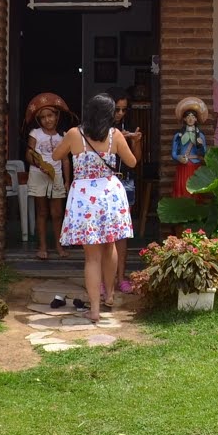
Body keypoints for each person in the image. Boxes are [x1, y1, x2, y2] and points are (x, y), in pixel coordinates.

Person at [55, 92, 137, 323]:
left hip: (84, 197)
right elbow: (131, 162)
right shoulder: (115, 135)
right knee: (110, 246)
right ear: (110, 115)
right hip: (109, 194)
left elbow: (55, 154)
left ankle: (94, 310)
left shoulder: (74, 134)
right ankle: (109, 294)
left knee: (91, 258)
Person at [25, 95, 69, 260]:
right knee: (42, 212)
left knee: (57, 213)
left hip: (56, 176)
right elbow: (29, 154)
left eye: (50, 116)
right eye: (42, 117)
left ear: (57, 116)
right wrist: (39, 164)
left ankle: (59, 245)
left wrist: (67, 180)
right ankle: (42, 246)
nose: (47, 120)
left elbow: (65, 160)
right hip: (38, 174)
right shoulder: (35, 133)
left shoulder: (63, 136)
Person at [107, 88, 142, 294]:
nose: (120, 114)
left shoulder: (128, 128)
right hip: (104, 184)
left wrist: (135, 141)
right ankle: (105, 279)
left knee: (121, 235)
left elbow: (135, 161)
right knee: (105, 235)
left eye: (123, 110)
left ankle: (121, 278)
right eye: (116, 109)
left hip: (125, 181)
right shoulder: (99, 130)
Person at [171, 96, 208, 199]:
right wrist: (178, 158)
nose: (190, 118)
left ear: (196, 119)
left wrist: (200, 145)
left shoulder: (200, 136)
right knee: (182, 191)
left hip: (195, 167)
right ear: (184, 119)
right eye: (188, 116)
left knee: (195, 193)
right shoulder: (178, 136)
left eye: (193, 116)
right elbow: (173, 153)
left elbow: (204, 153)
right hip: (183, 166)